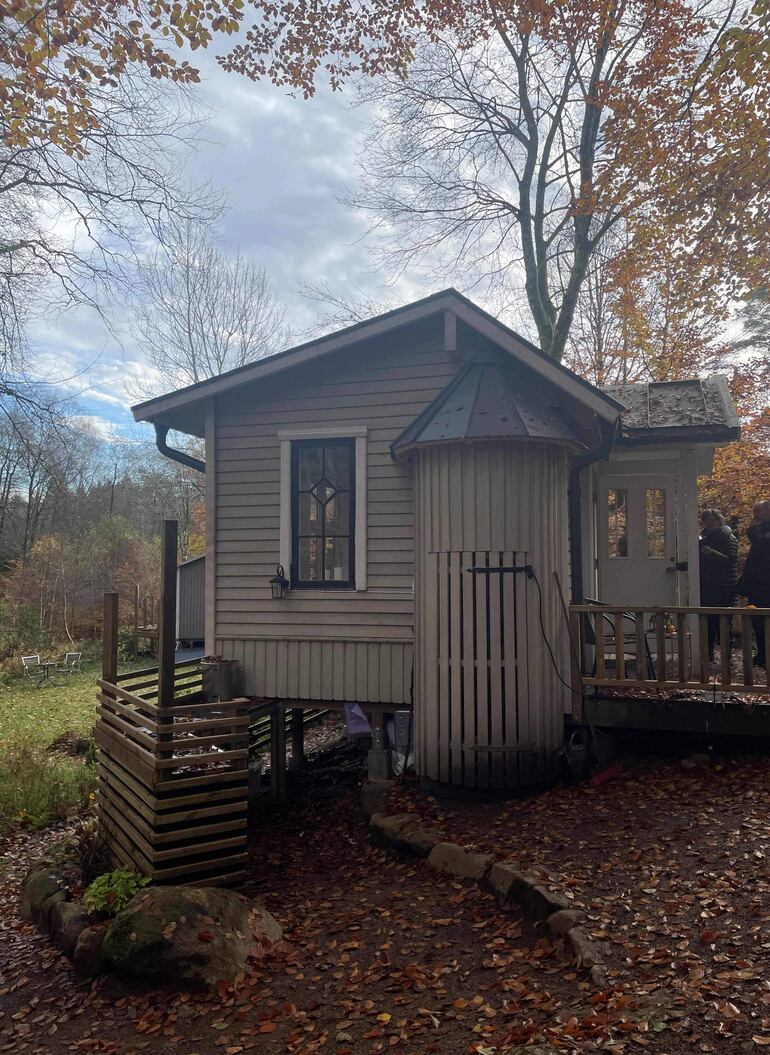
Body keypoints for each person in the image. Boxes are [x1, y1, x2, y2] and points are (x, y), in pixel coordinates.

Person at [699, 509, 739, 661]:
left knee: (723, 624)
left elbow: (731, 559)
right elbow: (698, 562)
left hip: (724, 588)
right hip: (706, 587)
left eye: (712, 520)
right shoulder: (703, 539)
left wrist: (712, 553)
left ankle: (726, 658)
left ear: (720, 520)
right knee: (707, 623)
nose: (709, 523)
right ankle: (707, 657)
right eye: (706, 521)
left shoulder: (729, 537)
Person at [737, 500, 770, 668]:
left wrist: (752, 529)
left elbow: (761, 543)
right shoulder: (760, 529)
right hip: (757, 584)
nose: (755, 515)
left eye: (759, 511)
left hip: (766, 583)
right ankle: (762, 653)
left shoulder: (762, 532)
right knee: (757, 619)